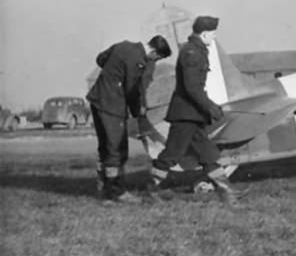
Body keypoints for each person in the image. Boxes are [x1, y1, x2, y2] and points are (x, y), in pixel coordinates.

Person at [147, 16, 242, 202]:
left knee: (207, 154)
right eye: (212, 34)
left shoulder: (195, 50)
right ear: (205, 34)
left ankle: (227, 192)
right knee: (172, 154)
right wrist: (211, 107)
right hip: (186, 115)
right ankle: (151, 191)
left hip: (192, 114)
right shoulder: (192, 52)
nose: (213, 38)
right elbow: (192, 88)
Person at [86, 34, 172, 202]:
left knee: (105, 147)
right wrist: (137, 111)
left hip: (97, 100)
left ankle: (103, 189)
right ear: (154, 52)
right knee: (116, 149)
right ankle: (115, 193)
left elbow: (100, 59)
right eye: (158, 58)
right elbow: (132, 91)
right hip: (112, 106)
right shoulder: (138, 62)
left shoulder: (123, 45)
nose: (154, 61)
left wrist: (112, 75)